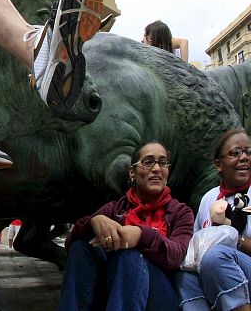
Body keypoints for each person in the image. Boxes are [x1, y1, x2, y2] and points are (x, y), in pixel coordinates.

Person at [59, 141, 193, 311]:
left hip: (160, 295)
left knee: (130, 256)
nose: (157, 169)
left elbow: (177, 255)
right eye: (148, 162)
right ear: (132, 172)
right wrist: (94, 222)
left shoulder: (181, 212)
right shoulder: (115, 209)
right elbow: (70, 243)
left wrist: (142, 235)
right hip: (113, 292)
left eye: (163, 162)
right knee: (81, 247)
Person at [175, 129, 251, 311]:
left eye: (248, 152)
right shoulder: (209, 198)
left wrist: (235, 239)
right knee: (184, 274)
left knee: (215, 256)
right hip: (215, 274)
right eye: (235, 153)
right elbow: (196, 251)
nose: (245, 157)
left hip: (238, 268)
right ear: (218, 164)